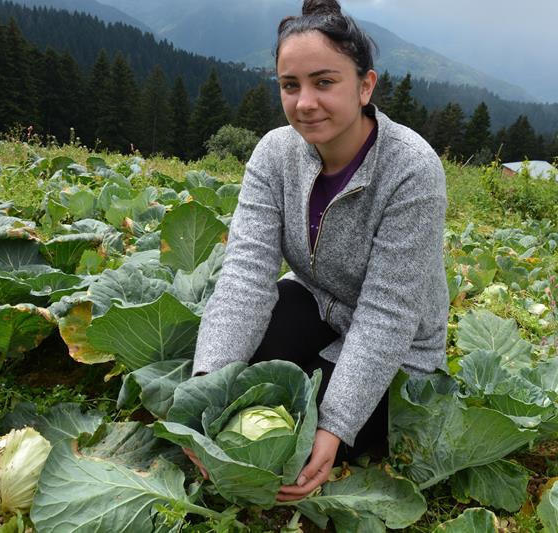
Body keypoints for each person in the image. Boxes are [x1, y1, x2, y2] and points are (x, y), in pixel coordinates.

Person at [190, 0, 449, 502]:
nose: (305, 102)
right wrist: (206, 391)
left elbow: (387, 314)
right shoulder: (273, 153)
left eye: (324, 82)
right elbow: (245, 276)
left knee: (308, 437)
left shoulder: (412, 169)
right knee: (236, 389)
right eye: (291, 85)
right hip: (313, 300)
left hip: (399, 346)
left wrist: (334, 426)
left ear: (365, 85)